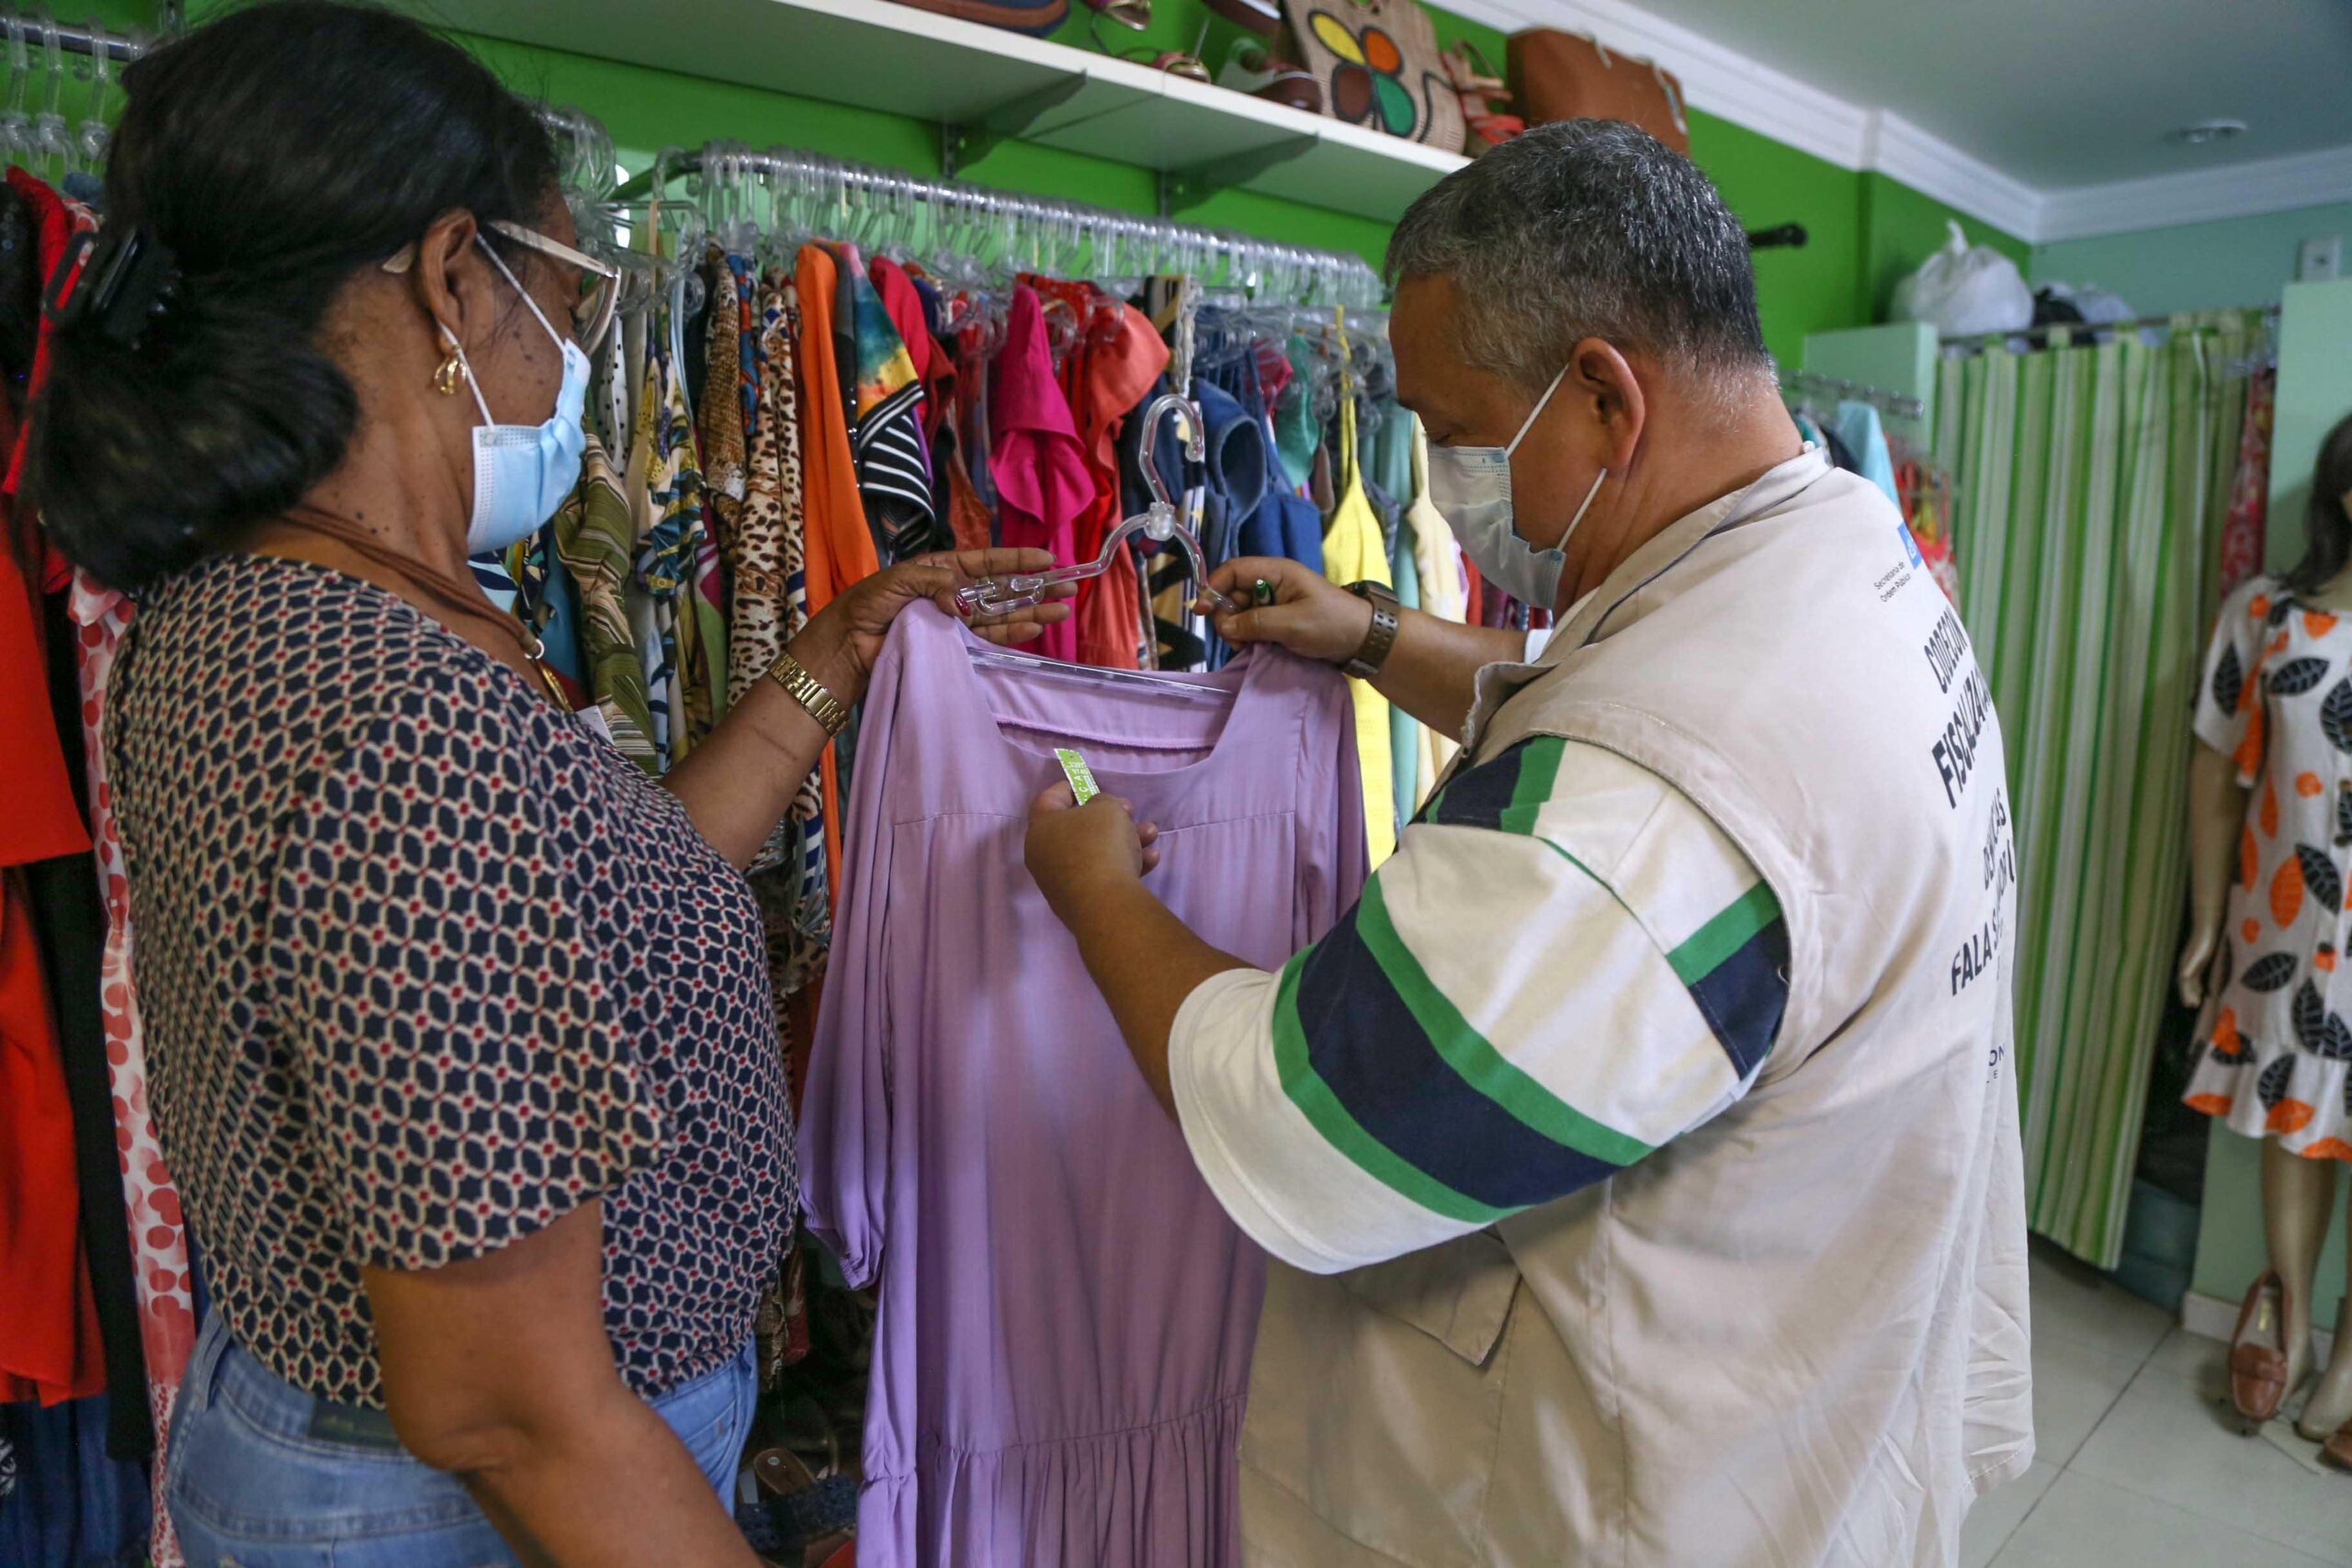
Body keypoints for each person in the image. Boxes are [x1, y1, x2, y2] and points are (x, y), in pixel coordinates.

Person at [30, 6, 1063, 1563]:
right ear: (453, 281)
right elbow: (508, 1404)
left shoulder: (283, 601)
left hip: (392, 1446)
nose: (576, 352)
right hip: (467, 1502)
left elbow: (613, 884)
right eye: (568, 297)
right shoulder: (389, 707)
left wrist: (841, 647)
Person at [1025, 120, 2032, 1566]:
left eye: (1450, 429)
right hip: (1810, 1401)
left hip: (1613, 1496)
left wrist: (1096, 899)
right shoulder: (1843, 561)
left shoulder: (1660, 796)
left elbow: (1300, 1128)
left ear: (1607, 396)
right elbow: (1597, 700)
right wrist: (1374, 634)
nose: (1440, 477)